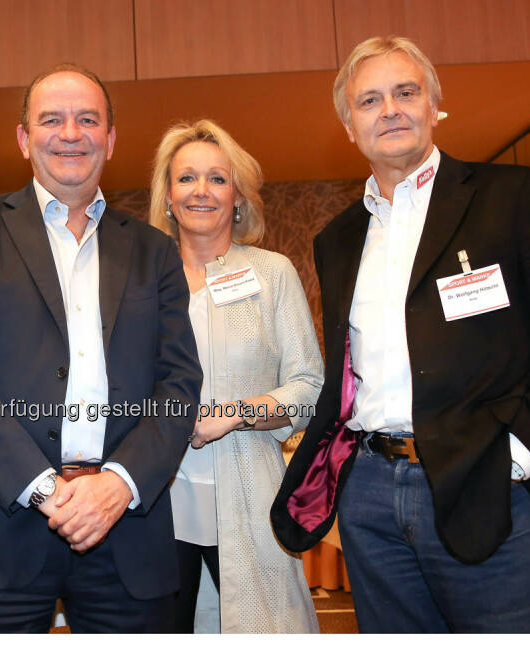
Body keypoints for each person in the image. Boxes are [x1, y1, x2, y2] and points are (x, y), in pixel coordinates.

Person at [271, 36, 530, 633]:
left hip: (490, 485)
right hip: (373, 497)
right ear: (349, 126)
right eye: (370, 100)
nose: (391, 110)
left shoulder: (511, 198)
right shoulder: (338, 239)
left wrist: (522, 455)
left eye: (406, 93)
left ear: (435, 106)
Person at [0, 64, 202, 633]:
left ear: (111, 138)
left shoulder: (154, 251)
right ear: (24, 139)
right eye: (51, 119)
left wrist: (117, 485)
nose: (70, 133)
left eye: (88, 119)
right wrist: (48, 490)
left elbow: (178, 386)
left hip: (128, 530)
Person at [148, 120, 322, 633]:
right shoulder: (140, 283)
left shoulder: (272, 274)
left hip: (251, 495)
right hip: (159, 506)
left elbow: (309, 389)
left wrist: (232, 416)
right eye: (186, 179)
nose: (201, 191)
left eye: (217, 179)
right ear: (167, 198)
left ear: (238, 197)